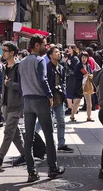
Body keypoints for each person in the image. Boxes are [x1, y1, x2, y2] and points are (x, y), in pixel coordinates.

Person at [18, 34, 65, 183]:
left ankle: (31, 172)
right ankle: (52, 168)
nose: (47, 47)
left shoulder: (22, 62)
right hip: (40, 100)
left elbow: (20, 85)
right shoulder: (40, 60)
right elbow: (43, 79)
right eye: (44, 44)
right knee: (49, 135)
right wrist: (50, 95)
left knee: (29, 138)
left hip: (27, 101)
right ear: (37, 45)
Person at [0, 42, 26, 171]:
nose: (2, 52)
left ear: (12, 53)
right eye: (2, 50)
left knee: (8, 132)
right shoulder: (4, 67)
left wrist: (9, 84)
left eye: (5, 50)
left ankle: (0, 158)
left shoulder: (19, 67)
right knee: (15, 134)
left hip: (16, 105)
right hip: (5, 104)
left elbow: (23, 87)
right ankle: (26, 155)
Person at [47, 46, 74, 153]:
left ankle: (61, 144)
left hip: (59, 98)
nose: (59, 54)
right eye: (56, 52)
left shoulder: (61, 68)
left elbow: (63, 82)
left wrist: (63, 92)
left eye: (59, 52)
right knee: (44, 123)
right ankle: (34, 139)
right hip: (49, 98)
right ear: (50, 55)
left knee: (61, 122)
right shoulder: (47, 67)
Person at [70, 51, 94, 122]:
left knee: (89, 102)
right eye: (83, 57)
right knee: (77, 101)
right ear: (80, 58)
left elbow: (91, 73)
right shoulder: (78, 65)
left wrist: (90, 76)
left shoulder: (88, 66)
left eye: (86, 58)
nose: (84, 59)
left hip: (87, 85)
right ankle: (72, 116)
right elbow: (75, 75)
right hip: (79, 86)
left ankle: (89, 116)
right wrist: (83, 76)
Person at [64, 45, 79, 115]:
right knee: (70, 92)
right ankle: (73, 108)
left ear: (73, 49)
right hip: (69, 77)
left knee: (70, 93)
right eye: (68, 48)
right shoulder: (70, 57)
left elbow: (76, 68)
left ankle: (71, 108)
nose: (68, 50)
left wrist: (69, 63)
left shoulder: (75, 58)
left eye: (70, 48)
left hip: (72, 77)